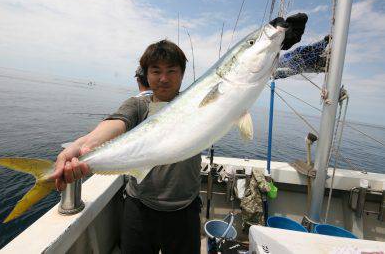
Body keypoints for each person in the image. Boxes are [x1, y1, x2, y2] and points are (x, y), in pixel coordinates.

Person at [51, 14, 308, 254]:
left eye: (171, 71)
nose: (163, 78)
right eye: (156, 71)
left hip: (184, 212)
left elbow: (268, 69)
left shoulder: (200, 96)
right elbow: (115, 124)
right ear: (147, 75)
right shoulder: (138, 104)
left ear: (182, 74)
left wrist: (277, 46)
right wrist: (81, 145)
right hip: (139, 210)